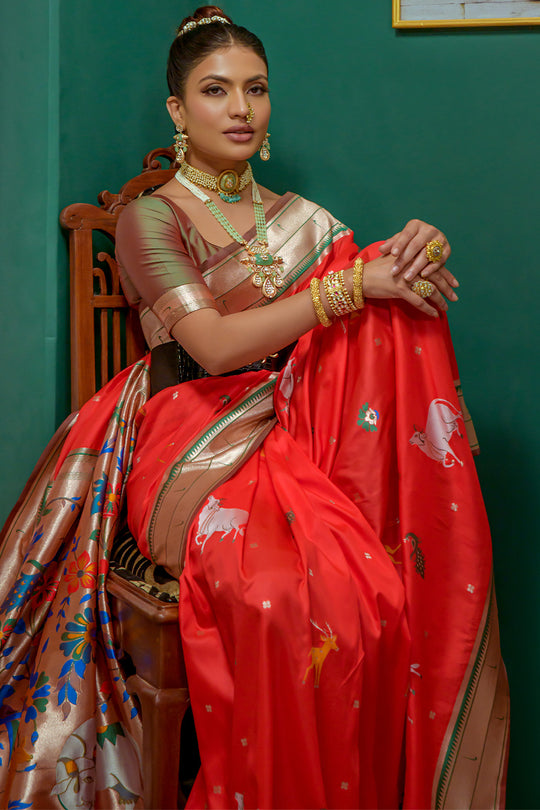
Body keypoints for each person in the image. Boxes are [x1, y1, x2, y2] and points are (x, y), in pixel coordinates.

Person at [0, 6, 509, 809]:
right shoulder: (149, 218)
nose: (240, 108)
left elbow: (362, 307)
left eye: (256, 89)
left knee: (372, 586)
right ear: (178, 110)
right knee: (280, 593)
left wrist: (410, 255)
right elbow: (212, 348)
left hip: (301, 422)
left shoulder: (303, 219)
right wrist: (352, 286)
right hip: (189, 437)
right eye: (215, 90)